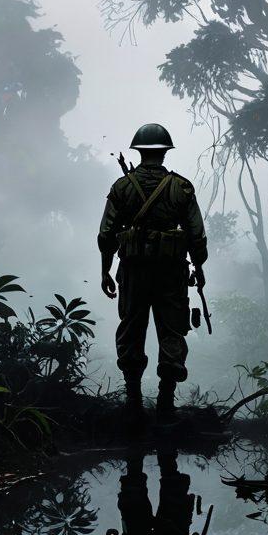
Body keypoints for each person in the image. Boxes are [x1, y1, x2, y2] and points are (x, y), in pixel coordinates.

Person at [98, 123, 208, 419]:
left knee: (132, 328)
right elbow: (196, 234)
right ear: (164, 152)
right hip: (171, 273)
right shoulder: (180, 187)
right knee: (172, 331)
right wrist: (199, 267)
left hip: (133, 272)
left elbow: (105, 234)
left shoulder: (122, 188)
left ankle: (133, 402)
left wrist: (105, 270)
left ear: (140, 151)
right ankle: (165, 405)